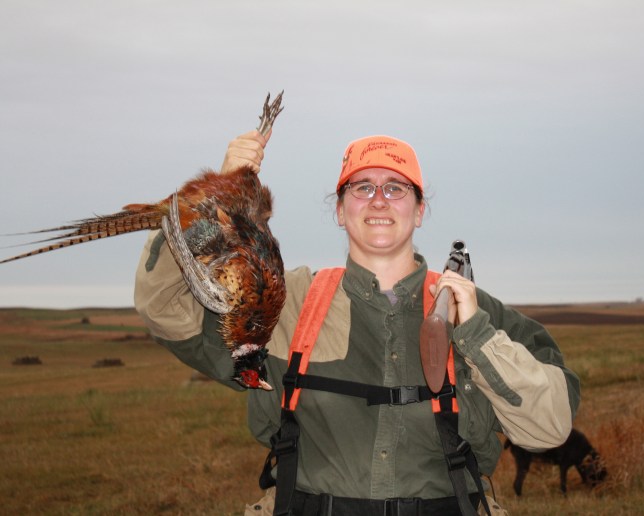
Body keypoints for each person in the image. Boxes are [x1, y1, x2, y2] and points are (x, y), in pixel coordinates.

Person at [134, 131, 580, 516]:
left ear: (420, 210)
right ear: (340, 210)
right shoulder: (286, 303)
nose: (379, 200)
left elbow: (549, 428)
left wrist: (476, 334)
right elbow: (167, 312)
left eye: (396, 188)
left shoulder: (479, 314)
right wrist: (212, 196)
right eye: (362, 187)